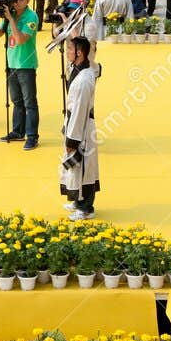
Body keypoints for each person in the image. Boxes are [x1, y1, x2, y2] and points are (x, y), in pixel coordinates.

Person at [60, 35, 100, 220]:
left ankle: (86, 208)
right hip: (75, 122)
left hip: (82, 126)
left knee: (84, 167)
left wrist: (72, 139)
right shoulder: (77, 69)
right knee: (75, 167)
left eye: (70, 49)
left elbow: (80, 110)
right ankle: (77, 201)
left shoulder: (84, 79)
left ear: (79, 52)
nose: (67, 52)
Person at [0, 0, 40, 149]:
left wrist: (11, 19)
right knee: (16, 101)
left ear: (28, 0)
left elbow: (20, 39)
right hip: (11, 64)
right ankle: (18, 131)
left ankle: (32, 136)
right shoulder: (10, 15)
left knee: (30, 102)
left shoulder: (31, 16)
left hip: (26, 65)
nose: (17, 2)